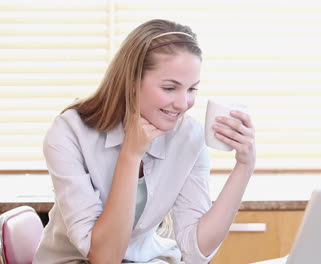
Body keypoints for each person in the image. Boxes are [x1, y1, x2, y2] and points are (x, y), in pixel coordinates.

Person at [33, 19, 256, 264]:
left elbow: (195, 251)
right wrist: (131, 154)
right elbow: (104, 258)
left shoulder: (189, 136)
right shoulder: (69, 132)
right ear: (131, 82)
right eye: (170, 88)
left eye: (192, 89)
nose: (184, 104)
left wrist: (244, 167)